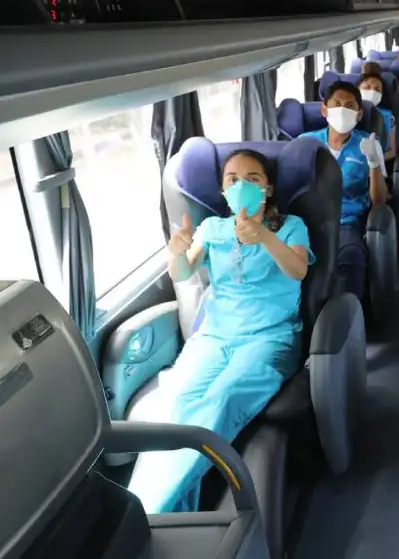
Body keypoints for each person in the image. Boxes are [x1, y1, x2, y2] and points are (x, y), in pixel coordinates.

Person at [127, 149, 314, 514]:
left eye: (253, 178)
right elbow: (182, 273)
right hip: (214, 338)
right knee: (175, 403)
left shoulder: (292, 226)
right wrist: (176, 252)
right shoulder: (212, 228)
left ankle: (148, 512)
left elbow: (298, 270)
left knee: (222, 400)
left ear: (268, 188)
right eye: (232, 179)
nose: (241, 185)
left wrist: (263, 236)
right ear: (223, 190)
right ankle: (153, 509)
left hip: (269, 340)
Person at [298, 81, 388, 298]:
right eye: (337, 104)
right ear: (324, 109)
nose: (343, 110)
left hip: (346, 222)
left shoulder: (367, 144)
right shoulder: (304, 144)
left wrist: (374, 163)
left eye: (349, 106)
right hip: (304, 223)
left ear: (358, 115)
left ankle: (348, 318)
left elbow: (379, 200)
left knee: (349, 259)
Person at [359, 72, 397, 162]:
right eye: (367, 88)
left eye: (377, 89)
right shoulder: (348, 115)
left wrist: (373, 162)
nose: (372, 92)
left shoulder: (388, 116)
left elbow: (392, 151)